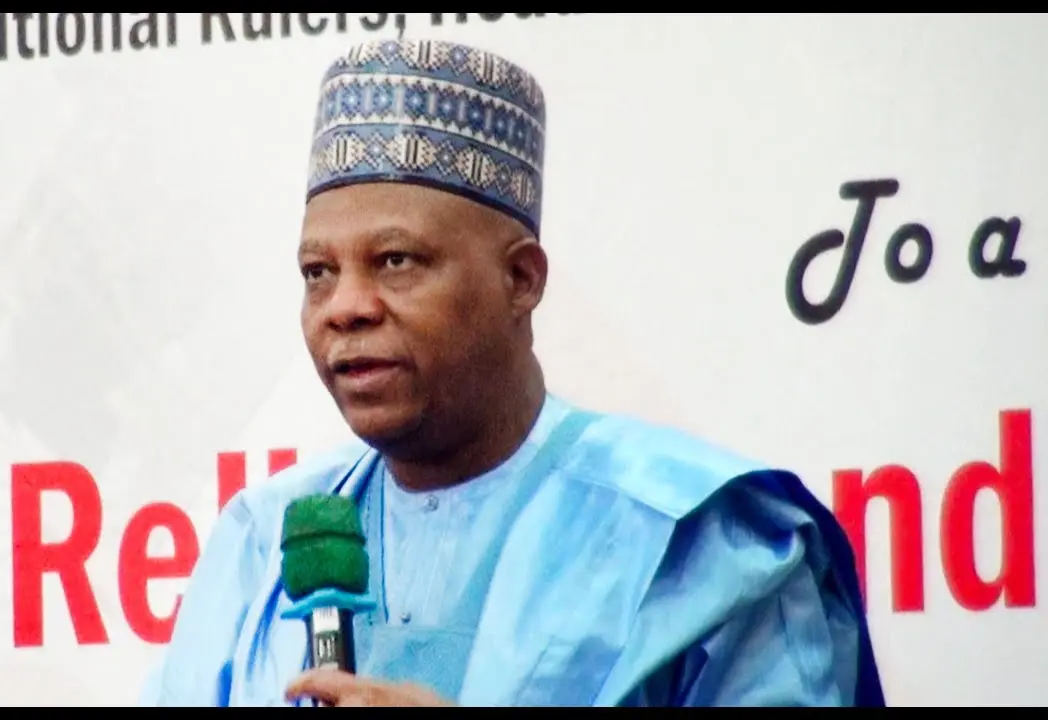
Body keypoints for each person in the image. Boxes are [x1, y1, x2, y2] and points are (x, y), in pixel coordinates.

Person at [143, 38, 885, 707]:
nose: (345, 308)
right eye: (318, 273)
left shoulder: (700, 539)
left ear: (522, 279)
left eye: (395, 261)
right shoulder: (262, 546)